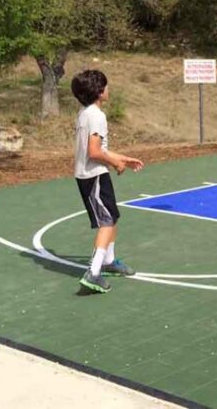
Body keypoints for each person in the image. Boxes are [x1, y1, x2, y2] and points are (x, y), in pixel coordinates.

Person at [70, 70, 144, 293]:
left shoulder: (85, 113)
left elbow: (99, 149)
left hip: (93, 174)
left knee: (112, 217)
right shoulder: (97, 116)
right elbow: (94, 152)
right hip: (94, 176)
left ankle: (109, 262)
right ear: (99, 91)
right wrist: (115, 163)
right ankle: (93, 272)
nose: (108, 89)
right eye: (106, 86)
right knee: (106, 223)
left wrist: (122, 159)